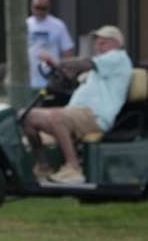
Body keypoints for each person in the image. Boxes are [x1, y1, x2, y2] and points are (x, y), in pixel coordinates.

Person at [23, 25, 133, 185]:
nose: (98, 46)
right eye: (97, 42)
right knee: (27, 117)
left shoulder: (118, 58)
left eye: (103, 43)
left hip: (95, 116)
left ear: (116, 43)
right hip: (76, 113)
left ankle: (73, 169)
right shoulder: (102, 66)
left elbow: (84, 63)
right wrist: (63, 71)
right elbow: (75, 74)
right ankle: (43, 166)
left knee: (56, 117)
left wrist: (58, 62)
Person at [26, 0, 75, 90]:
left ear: (49, 7)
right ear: (31, 6)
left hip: (50, 79)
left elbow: (68, 52)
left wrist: (66, 74)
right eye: (37, 7)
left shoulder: (58, 25)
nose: (39, 11)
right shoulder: (25, 25)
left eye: (43, 8)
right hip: (28, 80)